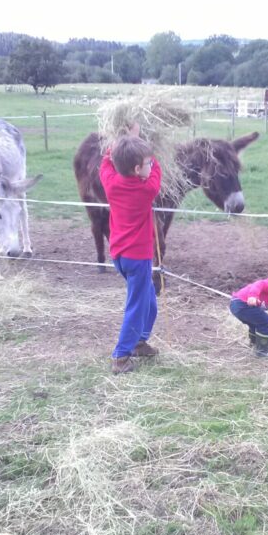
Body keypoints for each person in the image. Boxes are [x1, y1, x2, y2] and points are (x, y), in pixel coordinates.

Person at [99, 123, 162, 374]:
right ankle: (121, 356)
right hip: (138, 258)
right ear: (137, 169)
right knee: (137, 306)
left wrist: (128, 141)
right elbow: (157, 169)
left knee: (149, 302)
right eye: (145, 164)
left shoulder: (111, 183)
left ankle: (139, 341)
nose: (150, 166)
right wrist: (145, 149)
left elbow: (107, 162)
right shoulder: (147, 189)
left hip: (120, 256)